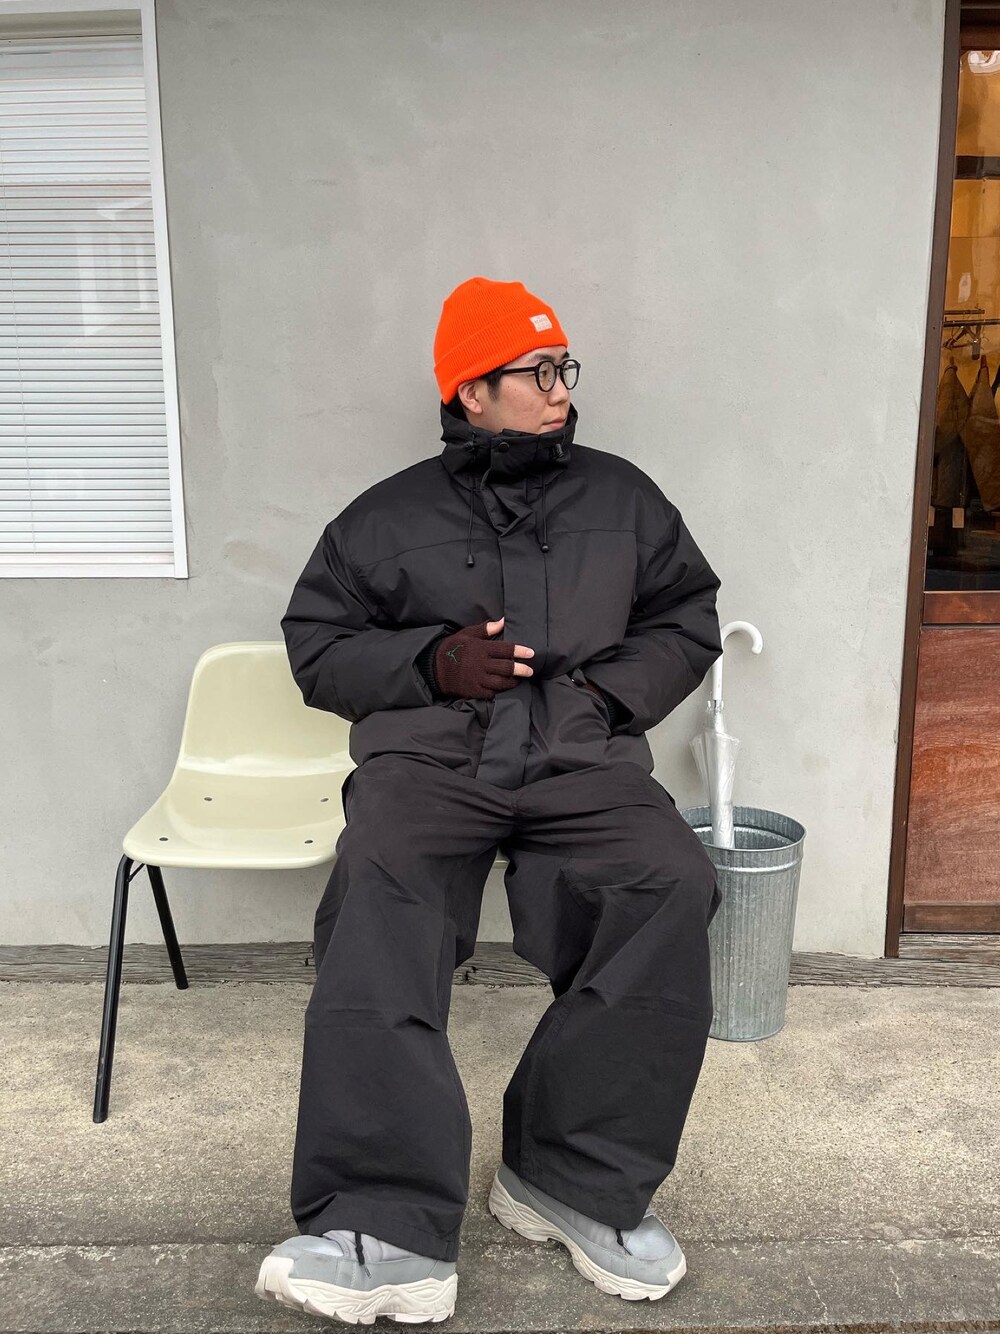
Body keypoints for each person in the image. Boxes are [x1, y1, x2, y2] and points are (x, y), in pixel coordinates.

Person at [255, 276, 724, 1325]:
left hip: (577, 760)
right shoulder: (382, 518)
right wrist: (430, 662)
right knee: (379, 891)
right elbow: (316, 646)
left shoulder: (623, 498)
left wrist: (604, 698)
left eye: (565, 368)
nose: (561, 389)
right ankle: (382, 1222)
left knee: (668, 881)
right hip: (431, 762)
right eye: (536, 371)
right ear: (471, 390)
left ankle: (573, 1178)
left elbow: (685, 614)